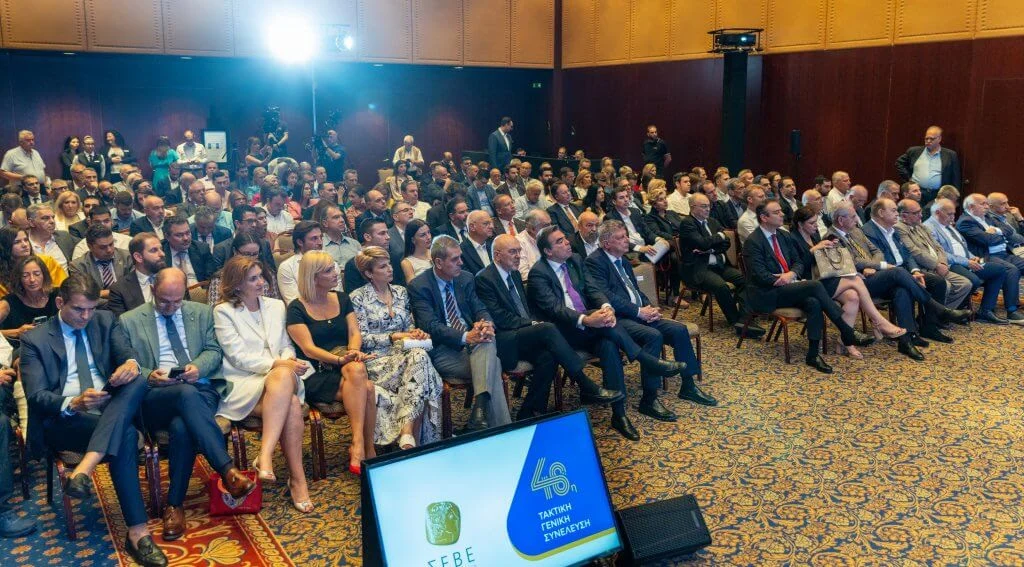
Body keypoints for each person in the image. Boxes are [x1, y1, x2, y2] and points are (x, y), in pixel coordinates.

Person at [20, 275, 168, 566]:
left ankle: (85, 467)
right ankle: (138, 533)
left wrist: (129, 364)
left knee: (138, 378)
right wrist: (73, 402)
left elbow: (127, 354)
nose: (86, 316)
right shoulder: (34, 339)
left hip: (108, 405)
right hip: (66, 418)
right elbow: (36, 396)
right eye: (78, 309)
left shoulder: (104, 320)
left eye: (91, 309)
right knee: (126, 436)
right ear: (60, 303)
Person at [119, 268, 254, 540]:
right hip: (156, 395)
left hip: (200, 389)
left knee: (182, 426)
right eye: (164, 301)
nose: (171, 307)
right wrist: (150, 375)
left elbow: (214, 351)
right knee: (184, 395)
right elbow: (127, 363)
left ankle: (174, 505)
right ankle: (227, 470)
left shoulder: (202, 313)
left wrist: (198, 368)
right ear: (152, 291)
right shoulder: (129, 320)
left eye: (177, 301)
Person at [476, 234, 623, 418]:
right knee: (547, 328)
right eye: (513, 252)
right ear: (497, 255)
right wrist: (533, 324)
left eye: (519, 251)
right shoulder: (484, 279)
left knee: (549, 355)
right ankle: (585, 385)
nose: (518, 256)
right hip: (505, 339)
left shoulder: (514, 273)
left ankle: (530, 411)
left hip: (526, 335)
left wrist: (533, 324)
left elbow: (527, 308)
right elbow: (500, 318)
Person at [213, 256, 316, 511]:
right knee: (292, 404)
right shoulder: (223, 311)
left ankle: (266, 455)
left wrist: (286, 361)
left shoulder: (276, 306)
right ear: (237, 285)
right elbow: (238, 357)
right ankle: (297, 479)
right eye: (253, 279)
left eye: (261, 276)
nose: (261, 282)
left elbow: (286, 345)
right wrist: (279, 365)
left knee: (281, 378)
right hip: (245, 381)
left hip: (281, 378)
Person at [585, 220, 716, 418]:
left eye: (626, 235)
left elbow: (635, 291)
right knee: (653, 335)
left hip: (639, 313)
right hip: (619, 319)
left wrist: (650, 307)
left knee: (679, 330)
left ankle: (688, 385)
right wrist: (639, 311)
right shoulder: (595, 262)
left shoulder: (623, 260)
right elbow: (607, 297)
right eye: (620, 237)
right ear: (606, 243)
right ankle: (649, 398)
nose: (627, 240)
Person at [742, 201, 876, 373]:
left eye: (781, 211)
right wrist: (784, 278)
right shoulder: (753, 241)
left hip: (789, 286)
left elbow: (798, 262)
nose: (782, 214)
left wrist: (791, 274)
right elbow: (759, 275)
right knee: (814, 285)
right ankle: (846, 330)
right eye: (776, 212)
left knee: (814, 302)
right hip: (767, 293)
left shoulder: (783, 235)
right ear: (764, 217)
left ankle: (813, 355)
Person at [828, 203, 970, 360]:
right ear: (841, 220)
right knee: (898, 271)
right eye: (853, 216)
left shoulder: (855, 231)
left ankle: (906, 340)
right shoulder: (831, 237)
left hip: (875, 275)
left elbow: (877, 251)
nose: (857, 219)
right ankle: (938, 308)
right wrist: (879, 265)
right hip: (858, 282)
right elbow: (852, 262)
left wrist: (872, 265)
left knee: (902, 290)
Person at [286, 252, 377, 473]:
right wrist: (339, 359)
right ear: (313, 277)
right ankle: (366, 447)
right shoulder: (296, 308)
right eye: (328, 270)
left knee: (356, 369)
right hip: (317, 372)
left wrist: (352, 352)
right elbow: (308, 349)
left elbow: (355, 332)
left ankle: (359, 445)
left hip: (347, 365)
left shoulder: (342, 298)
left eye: (333, 267)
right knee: (367, 388)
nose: (336, 273)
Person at [408, 235, 509, 432]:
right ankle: (497, 427)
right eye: (455, 259)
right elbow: (430, 325)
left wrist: (486, 323)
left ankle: (480, 416)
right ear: (438, 262)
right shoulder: (419, 286)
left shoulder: (465, 278)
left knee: (487, 341)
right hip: (444, 350)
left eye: (460, 257)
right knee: (492, 365)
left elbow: (479, 308)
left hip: (475, 344)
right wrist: (465, 337)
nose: (461, 263)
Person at [350, 247, 442, 447]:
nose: (390, 269)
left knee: (419, 356)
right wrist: (392, 337)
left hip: (405, 353)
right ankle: (411, 436)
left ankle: (407, 434)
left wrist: (416, 334)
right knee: (421, 365)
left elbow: (409, 327)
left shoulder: (401, 292)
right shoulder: (358, 297)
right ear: (369, 273)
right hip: (377, 361)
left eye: (389, 264)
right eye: (383, 267)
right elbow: (362, 338)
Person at [789, 207, 907, 358]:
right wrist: (814, 250)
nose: (816, 226)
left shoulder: (815, 235)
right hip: (809, 284)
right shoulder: (792, 239)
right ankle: (879, 322)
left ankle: (845, 343)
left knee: (852, 297)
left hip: (825, 279)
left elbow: (825, 263)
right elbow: (797, 266)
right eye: (812, 223)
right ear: (800, 224)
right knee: (856, 279)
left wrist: (829, 247)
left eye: (816, 222)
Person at [679, 193, 764, 336]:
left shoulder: (712, 221)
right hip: (700, 268)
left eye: (709, 206)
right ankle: (735, 320)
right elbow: (702, 243)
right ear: (693, 207)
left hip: (720, 265)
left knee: (745, 280)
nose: (708, 209)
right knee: (721, 286)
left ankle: (744, 317)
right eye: (704, 206)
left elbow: (726, 243)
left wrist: (710, 249)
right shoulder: (687, 223)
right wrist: (719, 236)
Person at [926, 198, 1021, 324]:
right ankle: (954, 311)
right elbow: (940, 253)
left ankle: (985, 311)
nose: (953, 217)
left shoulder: (948, 225)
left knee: (999, 270)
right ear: (938, 213)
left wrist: (971, 256)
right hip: (952, 264)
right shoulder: (929, 228)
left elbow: (963, 246)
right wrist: (966, 261)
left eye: (954, 214)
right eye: (950, 214)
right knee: (974, 280)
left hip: (968, 260)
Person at [891, 199, 972, 309]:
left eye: (920, 211)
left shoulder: (921, 226)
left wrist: (942, 263)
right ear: (904, 215)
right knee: (946, 286)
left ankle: (943, 313)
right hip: (923, 268)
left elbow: (938, 247)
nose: (920, 215)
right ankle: (937, 314)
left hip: (939, 266)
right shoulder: (899, 228)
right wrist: (936, 265)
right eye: (916, 213)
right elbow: (914, 252)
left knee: (965, 284)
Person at [207, 233, 280, 305]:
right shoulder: (220, 279)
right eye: (246, 254)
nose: (251, 258)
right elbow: (214, 309)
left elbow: (276, 304)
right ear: (235, 251)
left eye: (255, 254)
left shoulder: (268, 274)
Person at [895, 125, 962, 202]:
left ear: (939, 139)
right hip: (917, 193)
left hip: (939, 195)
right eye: (926, 138)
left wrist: (955, 199)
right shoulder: (914, 151)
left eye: (932, 139)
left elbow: (956, 178)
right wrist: (908, 178)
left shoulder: (950, 155)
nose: (928, 141)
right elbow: (899, 163)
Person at [0, 255, 58, 342]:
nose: (32, 279)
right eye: (25, 276)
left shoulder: (57, 295)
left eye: (37, 274)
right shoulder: (9, 302)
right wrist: (17, 332)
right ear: (19, 279)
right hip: (22, 348)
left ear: (44, 275)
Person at [107, 233, 166, 317]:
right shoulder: (119, 289)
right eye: (154, 250)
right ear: (138, 257)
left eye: (161, 249)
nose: (162, 254)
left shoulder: (175, 278)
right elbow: (122, 323)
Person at [0, 227, 67, 297]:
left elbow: (64, 289)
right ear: (5, 246)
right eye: (17, 242)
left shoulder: (47, 261)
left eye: (26, 240)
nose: (25, 245)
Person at [69, 224, 131, 299]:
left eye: (111, 244)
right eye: (102, 247)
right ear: (90, 246)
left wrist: (101, 293)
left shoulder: (127, 257)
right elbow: (85, 297)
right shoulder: (78, 266)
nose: (109, 250)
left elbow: (135, 287)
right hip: (98, 306)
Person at [162, 215, 214, 286]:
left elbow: (211, 279)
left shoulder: (202, 249)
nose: (186, 238)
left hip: (199, 291)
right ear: (167, 237)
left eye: (188, 233)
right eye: (179, 235)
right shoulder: (160, 252)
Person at [26, 204, 77, 271]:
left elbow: (85, 243)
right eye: (45, 218)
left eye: (53, 217)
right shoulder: (24, 243)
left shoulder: (64, 237)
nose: (52, 221)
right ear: (31, 222)